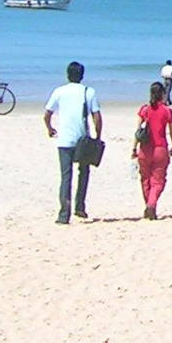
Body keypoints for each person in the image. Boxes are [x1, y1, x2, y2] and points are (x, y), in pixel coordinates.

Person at [43, 61, 103, 224]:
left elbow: (47, 113)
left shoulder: (59, 91)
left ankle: (64, 215)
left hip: (64, 140)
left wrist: (50, 128)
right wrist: (98, 136)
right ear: (82, 76)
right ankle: (80, 206)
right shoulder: (88, 92)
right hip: (82, 139)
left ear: (67, 75)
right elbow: (96, 116)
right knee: (84, 173)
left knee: (65, 176)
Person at [133, 80, 172, 219]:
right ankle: (151, 206)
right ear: (163, 94)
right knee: (158, 181)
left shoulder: (144, 110)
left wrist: (134, 148)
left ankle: (149, 206)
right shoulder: (167, 111)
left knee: (145, 179)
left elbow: (138, 131)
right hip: (160, 149)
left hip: (145, 149)